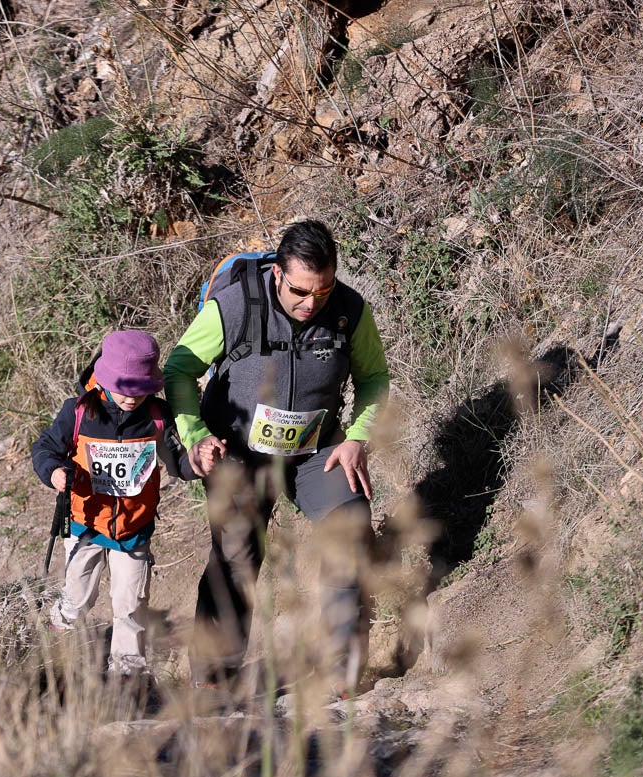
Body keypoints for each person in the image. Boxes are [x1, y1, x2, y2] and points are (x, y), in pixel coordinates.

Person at [163, 219, 390, 694]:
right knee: (238, 548)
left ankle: (342, 667)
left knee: (350, 521)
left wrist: (357, 438)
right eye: (301, 292)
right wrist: (195, 436)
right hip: (238, 450)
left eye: (322, 290)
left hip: (315, 448)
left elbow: (373, 379)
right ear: (277, 274)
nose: (312, 304)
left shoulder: (349, 310)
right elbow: (180, 371)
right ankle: (214, 678)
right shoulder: (234, 306)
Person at [31, 330, 213, 677]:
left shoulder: (158, 416)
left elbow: (177, 462)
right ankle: (54, 658)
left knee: (130, 606)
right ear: (103, 379)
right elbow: (45, 449)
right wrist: (54, 472)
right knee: (77, 599)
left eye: (141, 389)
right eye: (124, 389)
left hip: (134, 530)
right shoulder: (79, 412)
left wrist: (200, 463)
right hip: (84, 524)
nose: (132, 398)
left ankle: (127, 679)